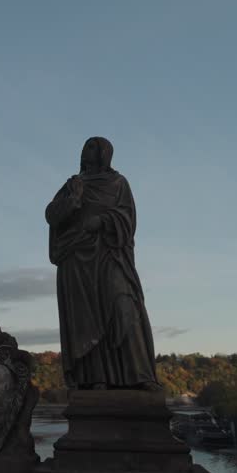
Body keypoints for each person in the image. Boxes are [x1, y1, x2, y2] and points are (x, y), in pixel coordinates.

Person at [46, 137, 160, 391]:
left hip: (110, 254)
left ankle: (140, 375)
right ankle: (95, 378)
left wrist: (103, 221)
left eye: (95, 147)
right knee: (86, 319)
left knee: (124, 304)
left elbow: (127, 218)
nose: (89, 151)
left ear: (106, 154)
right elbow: (52, 216)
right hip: (76, 257)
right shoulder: (73, 184)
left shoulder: (118, 183)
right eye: (87, 146)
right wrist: (71, 201)